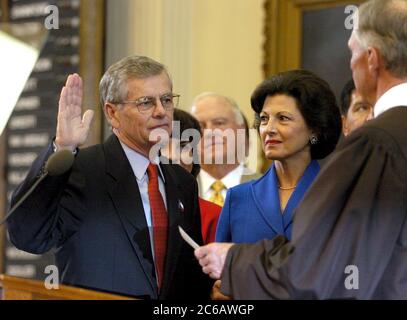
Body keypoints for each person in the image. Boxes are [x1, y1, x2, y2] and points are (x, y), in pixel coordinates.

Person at [195, 0, 407, 299]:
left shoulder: (377, 143)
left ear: (372, 58)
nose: (270, 128)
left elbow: (325, 268)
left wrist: (234, 260)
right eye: (265, 118)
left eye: (352, 52)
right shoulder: (241, 197)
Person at [7, 55, 211, 299]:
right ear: (113, 113)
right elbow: (28, 236)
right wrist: (63, 147)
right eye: (146, 103)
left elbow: (185, 274)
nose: (161, 111)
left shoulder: (183, 182)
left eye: (166, 100)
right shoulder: (82, 170)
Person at [216, 70, 341, 243]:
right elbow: (220, 268)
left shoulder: (338, 196)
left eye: (283, 118)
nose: (269, 129)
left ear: (314, 129)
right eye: (264, 119)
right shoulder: (238, 199)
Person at [161, 108, 221, 244]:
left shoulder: (213, 215)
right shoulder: (131, 207)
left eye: (184, 146)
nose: (174, 156)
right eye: (163, 145)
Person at [190, 93, 259, 207]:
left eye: (219, 123)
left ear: (241, 130)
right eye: (200, 126)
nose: (209, 132)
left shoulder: (268, 189)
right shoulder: (178, 188)